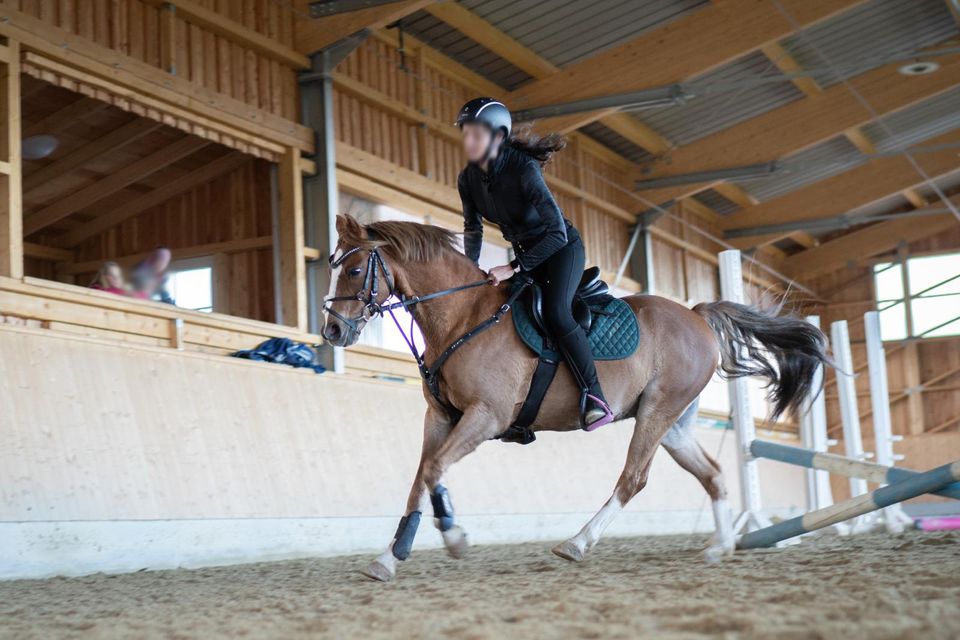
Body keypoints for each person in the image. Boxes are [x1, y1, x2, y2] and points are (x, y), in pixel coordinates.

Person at [455, 97, 613, 431]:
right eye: (465, 134)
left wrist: (513, 268)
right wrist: (470, 271)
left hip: (561, 249)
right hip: (526, 253)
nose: (468, 141)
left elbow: (555, 231)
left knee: (556, 312)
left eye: (476, 135)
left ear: (498, 137)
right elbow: (473, 228)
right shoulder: (467, 179)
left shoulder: (522, 169)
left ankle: (595, 396)